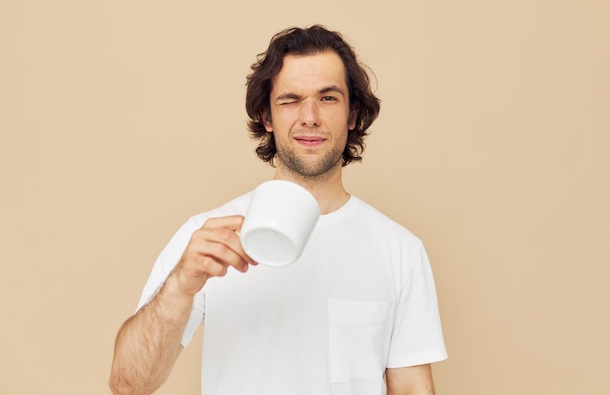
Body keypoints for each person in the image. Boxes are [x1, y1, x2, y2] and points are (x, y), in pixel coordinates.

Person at [109, 25, 447, 395]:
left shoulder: (400, 250)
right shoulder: (208, 237)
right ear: (267, 117)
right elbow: (129, 384)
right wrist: (180, 285)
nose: (310, 117)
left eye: (329, 98)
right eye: (290, 100)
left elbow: (412, 386)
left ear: (353, 114)